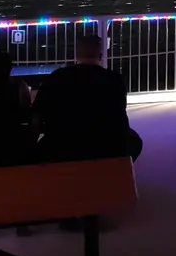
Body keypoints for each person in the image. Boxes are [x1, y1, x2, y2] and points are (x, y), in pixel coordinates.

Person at [33, 34, 142, 164]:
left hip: (62, 146)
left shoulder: (56, 77)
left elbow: (37, 115)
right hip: (106, 147)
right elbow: (120, 115)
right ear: (101, 56)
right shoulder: (114, 79)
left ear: (76, 55)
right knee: (135, 140)